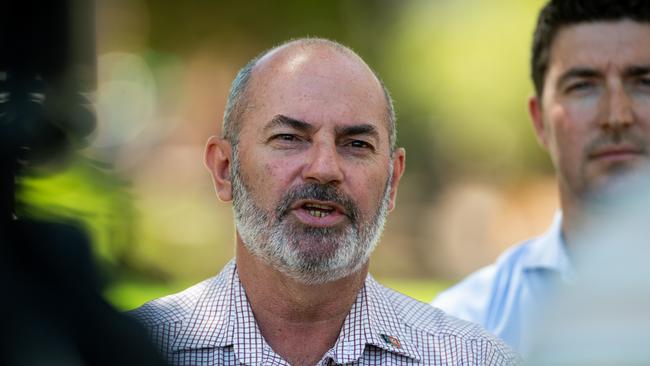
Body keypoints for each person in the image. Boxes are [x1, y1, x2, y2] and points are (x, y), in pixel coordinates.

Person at [130, 38, 519, 365]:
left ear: (393, 181)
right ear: (224, 168)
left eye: (356, 144)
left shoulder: (472, 358)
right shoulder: (137, 350)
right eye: (289, 138)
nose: (324, 168)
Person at [432, 0, 650, 356]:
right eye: (583, 86)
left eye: (644, 83)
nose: (617, 115)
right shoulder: (461, 330)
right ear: (539, 121)